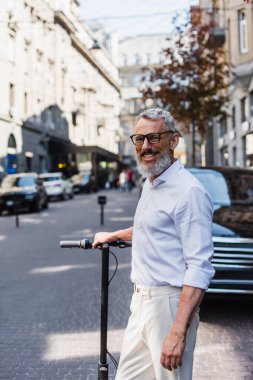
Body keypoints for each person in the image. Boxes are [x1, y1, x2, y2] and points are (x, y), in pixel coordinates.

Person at [93, 108, 215, 380]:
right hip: (141, 304)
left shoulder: (189, 192)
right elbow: (151, 228)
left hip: (169, 305)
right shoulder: (152, 182)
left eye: (154, 138)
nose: (145, 146)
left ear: (173, 141)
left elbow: (200, 267)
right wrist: (113, 235)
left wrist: (177, 331)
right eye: (139, 139)